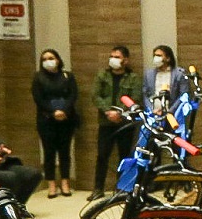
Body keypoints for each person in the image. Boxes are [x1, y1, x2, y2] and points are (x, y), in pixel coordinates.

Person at [91, 46, 142, 197]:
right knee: (102, 155)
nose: (113, 59)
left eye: (117, 57)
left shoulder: (133, 78)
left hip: (125, 122)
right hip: (105, 122)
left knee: (124, 156)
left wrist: (119, 112)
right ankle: (98, 189)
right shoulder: (102, 75)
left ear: (126, 60)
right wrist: (108, 111)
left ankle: (121, 189)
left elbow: (135, 98)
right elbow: (95, 96)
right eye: (112, 56)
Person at [31, 49, 79, 198]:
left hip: (66, 119)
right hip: (46, 120)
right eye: (44, 59)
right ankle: (51, 184)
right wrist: (53, 112)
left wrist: (63, 111)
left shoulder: (67, 76)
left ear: (58, 60)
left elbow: (73, 95)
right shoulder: (38, 78)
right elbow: (38, 98)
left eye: (51, 58)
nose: (48, 61)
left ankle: (65, 183)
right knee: (49, 153)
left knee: (65, 152)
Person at [143, 45, 193, 112]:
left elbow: (184, 94)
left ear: (168, 58)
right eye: (154, 55)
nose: (156, 58)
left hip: (174, 113)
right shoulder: (149, 74)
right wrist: (151, 110)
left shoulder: (179, 73)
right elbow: (145, 95)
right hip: (154, 112)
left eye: (159, 55)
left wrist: (171, 111)